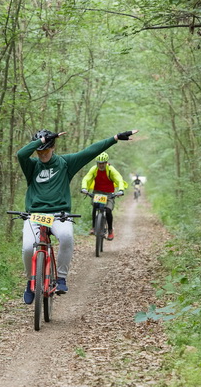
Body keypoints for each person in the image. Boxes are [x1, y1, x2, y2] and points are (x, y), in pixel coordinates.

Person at [17, 129, 138, 304]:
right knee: (28, 248)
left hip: (59, 214)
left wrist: (115, 138)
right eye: (39, 151)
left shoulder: (65, 163)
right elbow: (21, 154)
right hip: (34, 214)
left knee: (66, 237)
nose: (42, 154)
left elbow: (90, 152)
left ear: (53, 147)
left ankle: (61, 278)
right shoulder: (31, 166)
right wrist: (41, 141)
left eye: (46, 150)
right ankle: (30, 282)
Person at [80, 152, 127, 241]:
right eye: (99, 163)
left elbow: (119, 179)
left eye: (103, 163)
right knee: (95, 206)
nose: (101, 165)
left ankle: (110, 230)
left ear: (106, 163)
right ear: (97, 163)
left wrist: (121, 190)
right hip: (97, 192)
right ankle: (94, 227)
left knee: (108, 210)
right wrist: (84, 188)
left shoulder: (111, 170)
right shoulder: (94, 169)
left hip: (109, 194)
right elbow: (86, 178)